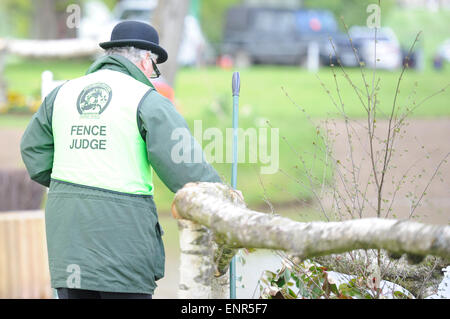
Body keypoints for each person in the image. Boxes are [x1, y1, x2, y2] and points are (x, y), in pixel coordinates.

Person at [20, 21, 222, 299]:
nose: (153, 74)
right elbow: (187, 170)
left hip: (68, 243)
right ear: (145, 60)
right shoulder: (147, 100)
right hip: (122, 245)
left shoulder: (61, 94)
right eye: (154, 67)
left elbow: (33, 152)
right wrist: (225, 198)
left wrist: (72, 182)